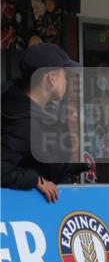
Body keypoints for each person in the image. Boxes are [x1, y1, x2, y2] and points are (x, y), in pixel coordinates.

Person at [1, 43, 86, 201]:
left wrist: (72, 166)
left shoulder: (24, 108)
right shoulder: (23, 120)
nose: (66, 82)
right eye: (64, 76)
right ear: (51, 78)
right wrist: (35, 180)